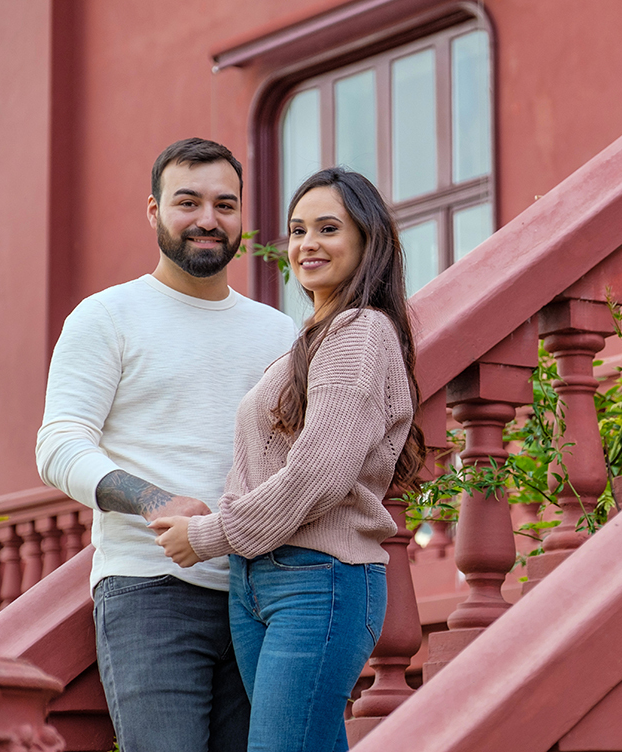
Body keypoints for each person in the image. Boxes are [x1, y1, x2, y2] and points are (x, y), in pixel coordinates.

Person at [36, 138, 297, 752]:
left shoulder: (279, 331)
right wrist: (155, 500)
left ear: (242, 218)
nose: (208, 219)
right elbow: (59, 444)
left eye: (225, 204)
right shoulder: (106, 317)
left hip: (262, 593)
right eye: (188, 201)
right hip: (150, 591)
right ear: (153, 210)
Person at [152, 167, 425, 752]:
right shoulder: (312, 339)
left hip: (319, 580)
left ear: (367, 240)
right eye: (298, 230)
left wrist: (210, 534)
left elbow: (318, 473)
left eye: (328, 228)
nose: (307, 244)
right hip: (260, 581)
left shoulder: (359, 332)